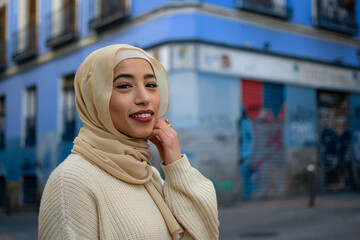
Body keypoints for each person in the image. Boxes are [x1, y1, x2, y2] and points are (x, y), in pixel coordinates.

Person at [38, 44, 219, 240]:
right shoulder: (71, 182)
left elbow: (201, 234)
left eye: (151, 85)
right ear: (95, 98)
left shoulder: (149, 175)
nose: (144, 98)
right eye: (124, 86)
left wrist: (176, 165)